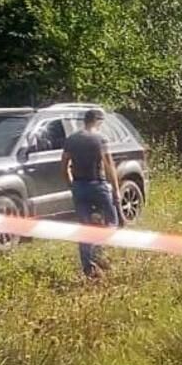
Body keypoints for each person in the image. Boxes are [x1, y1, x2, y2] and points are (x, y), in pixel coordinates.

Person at [61, 108, 123, 279]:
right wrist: (116, 191)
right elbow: (109, 166)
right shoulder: (100, 139)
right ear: (98, 121)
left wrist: (72, 186)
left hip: (79, 187)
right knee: (112, 222)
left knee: (84, 227)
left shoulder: (71, 140)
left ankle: (88, 268)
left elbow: (64, 166)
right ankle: (98, 252)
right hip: (98, 185)